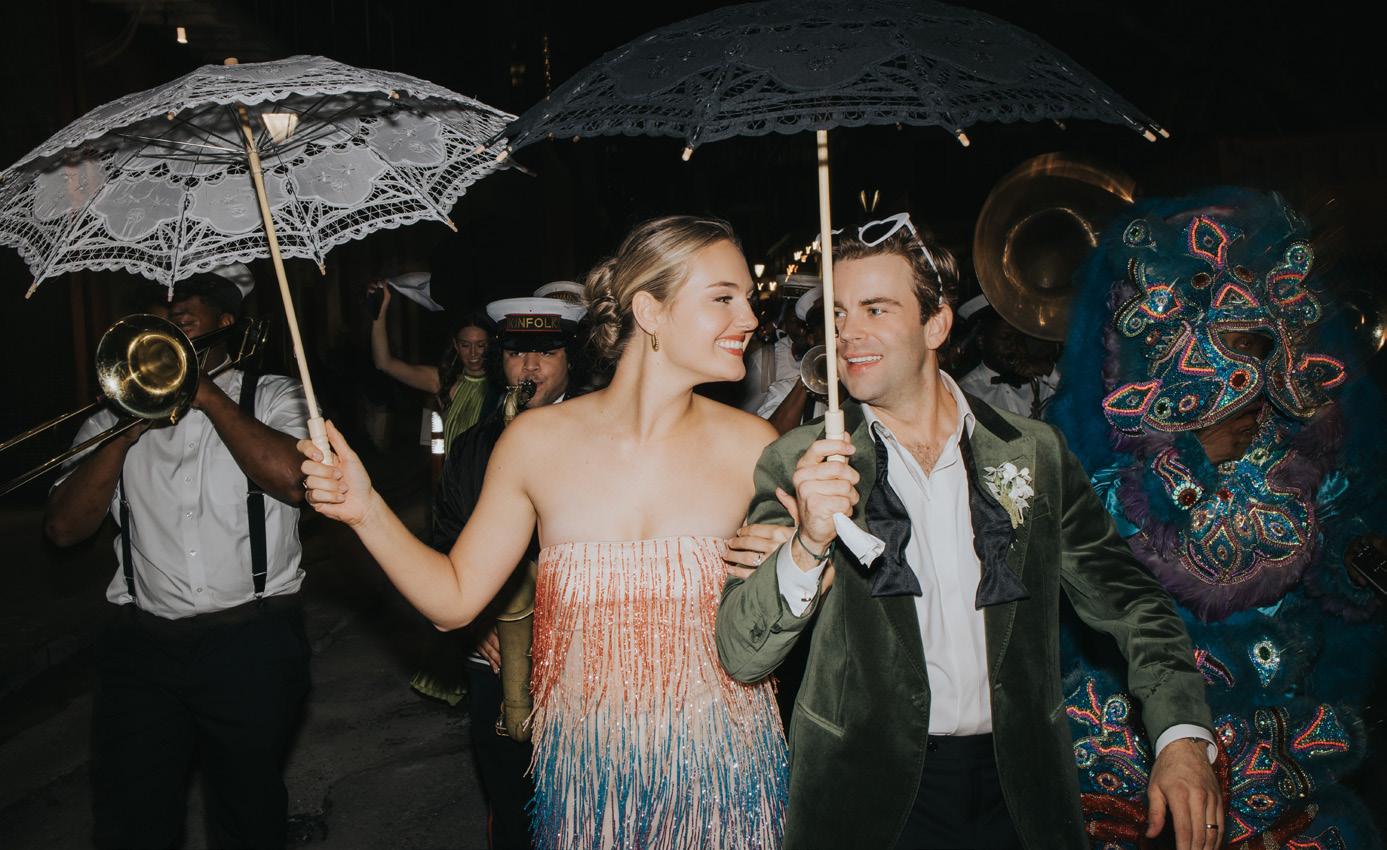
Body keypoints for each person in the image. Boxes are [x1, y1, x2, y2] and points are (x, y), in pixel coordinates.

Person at [715, 212, 1221, 850]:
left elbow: (1133, 602)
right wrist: (806, 545)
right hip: (867, 798)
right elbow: (742, 654)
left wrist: (1181, 735)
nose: (847, 334)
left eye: (875, 309)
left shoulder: (1035, 452)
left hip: (1019, 789)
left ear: (936, 324)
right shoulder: (801, 462)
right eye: (838, 314)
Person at [300, 215, 788, 849]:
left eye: (747, 298)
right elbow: (454, 602)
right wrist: (366, 510)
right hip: (589, 781)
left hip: (722, 773)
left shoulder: (754, 446)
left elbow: (787, 619)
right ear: (650, 311)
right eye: (724, 297)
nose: (749, 317)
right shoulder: (535, 442)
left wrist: (807, 560)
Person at [1047, 188, 1387, 846]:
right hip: (1139, 729)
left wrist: (1353, 555)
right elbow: (1092, 571)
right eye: (1231, 340)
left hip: (1277, 730)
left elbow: (1342, 553)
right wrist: (1191, 466)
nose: (1248, 362)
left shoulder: (1307, 456)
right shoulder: (1122, 461)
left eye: (1259, 341)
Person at [43, 271, 311, 849]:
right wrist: (122, 433)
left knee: (247, 811)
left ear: (225, 321)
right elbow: (64, 529)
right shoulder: (111, 414)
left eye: (192, 303)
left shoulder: (271, 395)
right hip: (142, 648)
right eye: (164, 306)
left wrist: (206, 395)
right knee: (133, 818)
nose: (176, 311)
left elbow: (295, 481)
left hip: (252, 639)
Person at [425, 293, 586, 850]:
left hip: (584, 650)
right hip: (498, 655)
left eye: (547, 353)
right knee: (512, 808)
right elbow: (446, 540)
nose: (530, 368)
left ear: (570, 359)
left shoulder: (601, 436)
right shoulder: (473, 445)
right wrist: (475, 622)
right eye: (517, 354)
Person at [368, 279, 497, 458]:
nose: (474, 353)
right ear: (456, 345)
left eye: (481, 345)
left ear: (490, 344)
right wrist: (379, 312)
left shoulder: (503, 383)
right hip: (452, 473)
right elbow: (384, 363)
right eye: (466, 345)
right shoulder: (442, 379)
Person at [953, 294, 1062, 420]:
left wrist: (1049, 370)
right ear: (981, 341)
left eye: (1019, 339)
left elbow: (1076, 400)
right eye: (1005, 338)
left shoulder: (1041, 381)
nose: (1014, 346)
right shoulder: (966, 392)